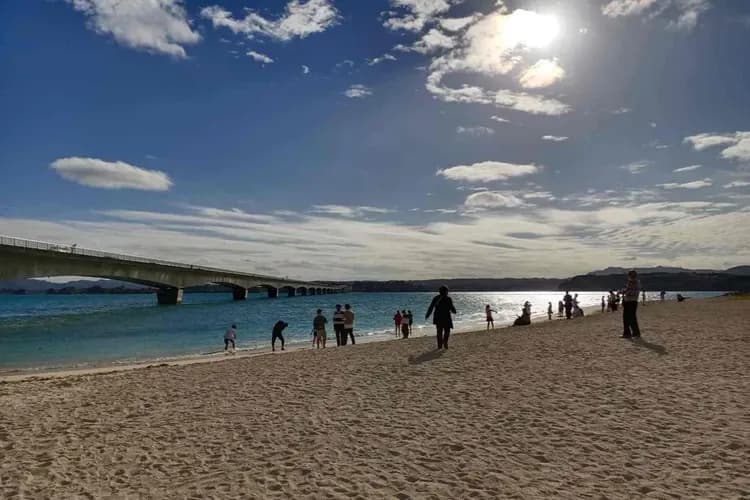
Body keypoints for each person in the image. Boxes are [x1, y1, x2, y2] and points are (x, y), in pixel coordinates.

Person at [425, 285, 456, 349]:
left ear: (439, 291)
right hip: (446, 317)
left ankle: (440, 346)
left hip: (438, 317)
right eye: (447, 291)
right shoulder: (448, 299)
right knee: (447, 331)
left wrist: (427, 314)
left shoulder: (436, 298)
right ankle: (445, 343)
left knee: (439, 332)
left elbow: (431, 307)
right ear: (446, 291)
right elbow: (452, 308)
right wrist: (454, 311)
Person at [621, 270, 641, 338]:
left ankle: (628, 333)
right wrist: (625, 291)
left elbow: (632, 292)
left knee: (627, 318)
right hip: (632, 301)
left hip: (630, 302)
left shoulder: (633, 282)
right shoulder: (636, 282)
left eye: (629, 275)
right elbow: (633, 291)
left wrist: (624, 292)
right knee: (632, 317)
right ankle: (635, 333)